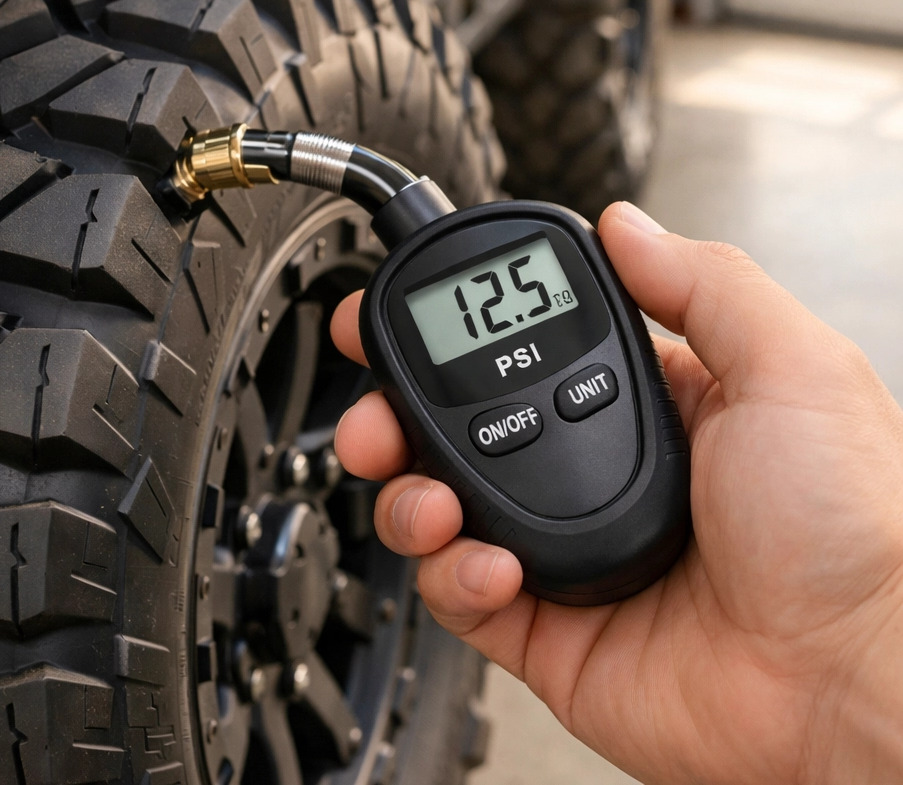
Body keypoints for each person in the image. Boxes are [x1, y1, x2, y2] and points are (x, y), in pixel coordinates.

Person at [330, 201, 903, 784]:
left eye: (524, 295)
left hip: (653, 554)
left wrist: (862, 622)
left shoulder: (544, 237)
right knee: (400, 484)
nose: (516, 345)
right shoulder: (545, 235)